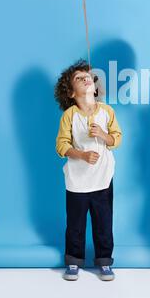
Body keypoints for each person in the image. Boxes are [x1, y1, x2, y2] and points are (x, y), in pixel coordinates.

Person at [54, 59, 122, 281]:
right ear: (71, 93)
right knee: (75, 224)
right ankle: (74, 261)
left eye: (87, 76)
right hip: (77, 181)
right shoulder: (70, 115)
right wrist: (81, 155)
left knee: (104, 223)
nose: (85, 78)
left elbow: (116, 139)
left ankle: (104, 261)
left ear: (93, 84)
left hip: (102, 179)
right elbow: (61, 145)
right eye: (78, 78)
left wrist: (103, 134)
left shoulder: (106, 111)